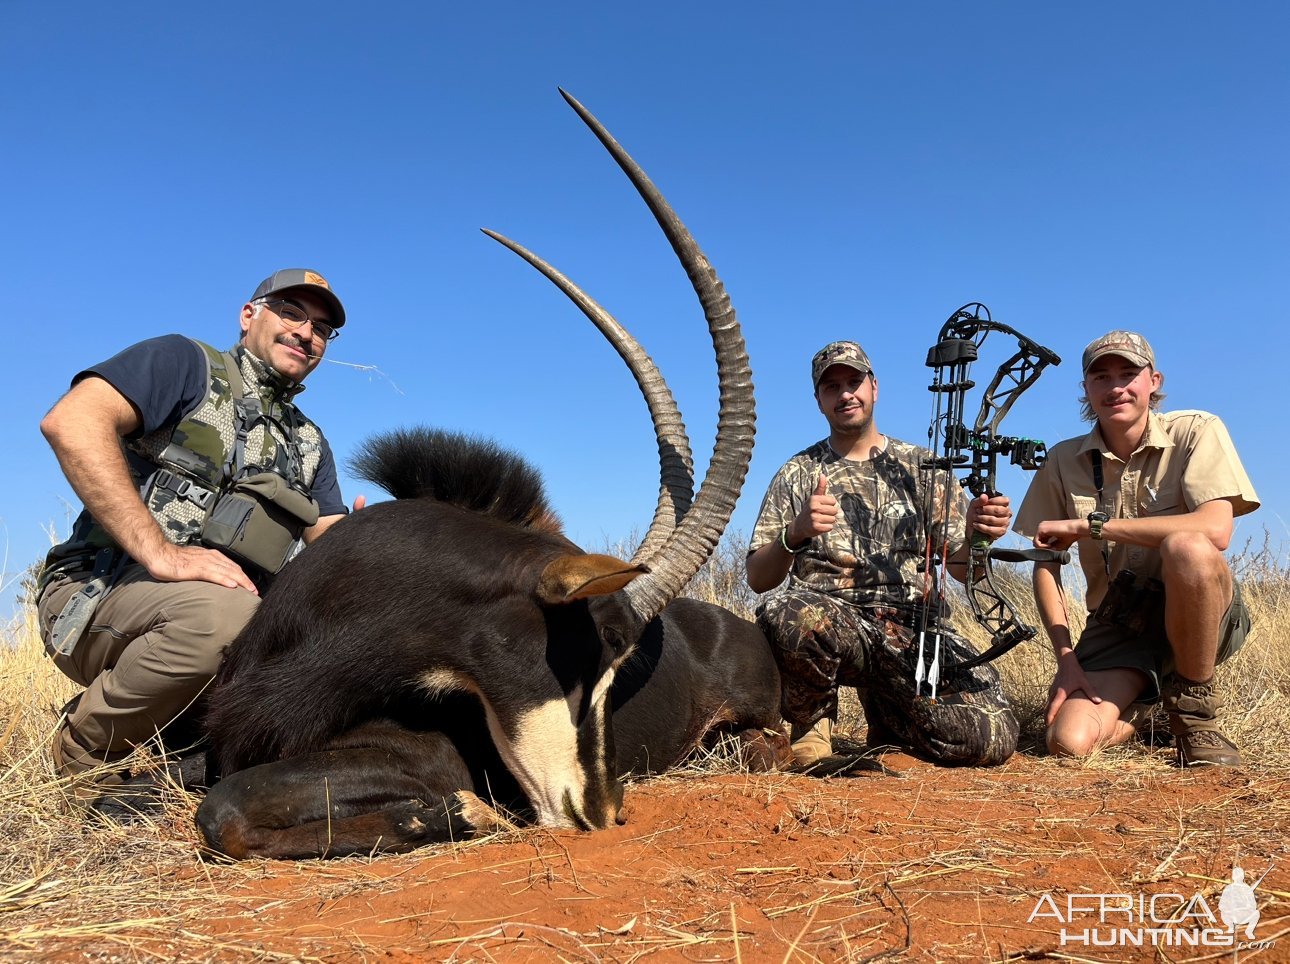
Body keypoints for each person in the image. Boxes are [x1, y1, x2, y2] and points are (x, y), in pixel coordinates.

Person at [36, 269, 359, 808]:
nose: (308, 333)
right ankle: (81, 752)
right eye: (292, 312)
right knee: (221, 619)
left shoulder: (309, 442)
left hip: (226, 620)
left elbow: (330, 539)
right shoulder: (185, 363)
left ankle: (176, 743)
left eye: (323, 327)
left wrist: (376, 539)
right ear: (249, 314)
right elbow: (72, 421)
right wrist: (160, 553)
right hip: (99, 593)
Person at [746, 340, 1019, 767]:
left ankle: (892, 717)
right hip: (836, 625)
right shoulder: (797, 471)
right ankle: (813, 727)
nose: (845, 394)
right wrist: (794, 533)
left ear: (874, 387)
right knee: (788, 614)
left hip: (915, 631)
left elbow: (965, 571)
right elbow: (759, 579)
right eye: (831, 386)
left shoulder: (923, 465)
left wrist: (978, 536)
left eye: (854, 381)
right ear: (819, 400)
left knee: (992, 738)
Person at [1013, 330, 1258, 766]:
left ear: (1153, 380)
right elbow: (1045, 563)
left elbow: (1216, 530)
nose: (1116, 387)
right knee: (1068, 742)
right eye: (1101, 377)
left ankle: (1195, 717)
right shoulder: (1062, 460)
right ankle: (1152, 707)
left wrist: (1093, 528)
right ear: (1086, 389)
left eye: (1129, 373)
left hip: (1198, 607)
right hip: (1121, 623)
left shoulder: (1197, 430)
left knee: (1188, 548)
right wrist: (1067, 661)